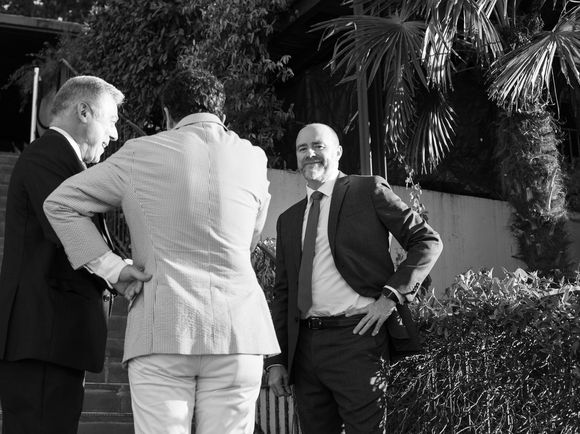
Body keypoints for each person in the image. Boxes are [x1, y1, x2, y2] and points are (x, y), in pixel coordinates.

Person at [43, 67, 280, 434]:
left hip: (163, 327)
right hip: (239, 332)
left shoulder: (139, 153)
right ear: (222, 114)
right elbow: (250, 238)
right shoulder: (254, 158)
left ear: (169, 115)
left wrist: (112, 268)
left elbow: (60, 203)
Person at [265, 123, 443, 434]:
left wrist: (390, 298)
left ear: (338, 152)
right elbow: (283, 293)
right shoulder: (288, 219)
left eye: (318, 146)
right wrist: (277, 359)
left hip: (357, 339)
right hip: (304, 350)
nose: (309, 153)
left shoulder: (367, 190)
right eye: (302, 148)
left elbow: (427, 241)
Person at [0, 75, 150, 434]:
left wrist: (122, 267)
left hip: (52, 341)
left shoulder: (63, 160)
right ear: (84, 112)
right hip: (41, 339)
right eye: (111, 121)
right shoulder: (47, 155)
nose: (114, 133)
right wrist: (117, 271)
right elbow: (65, 229)